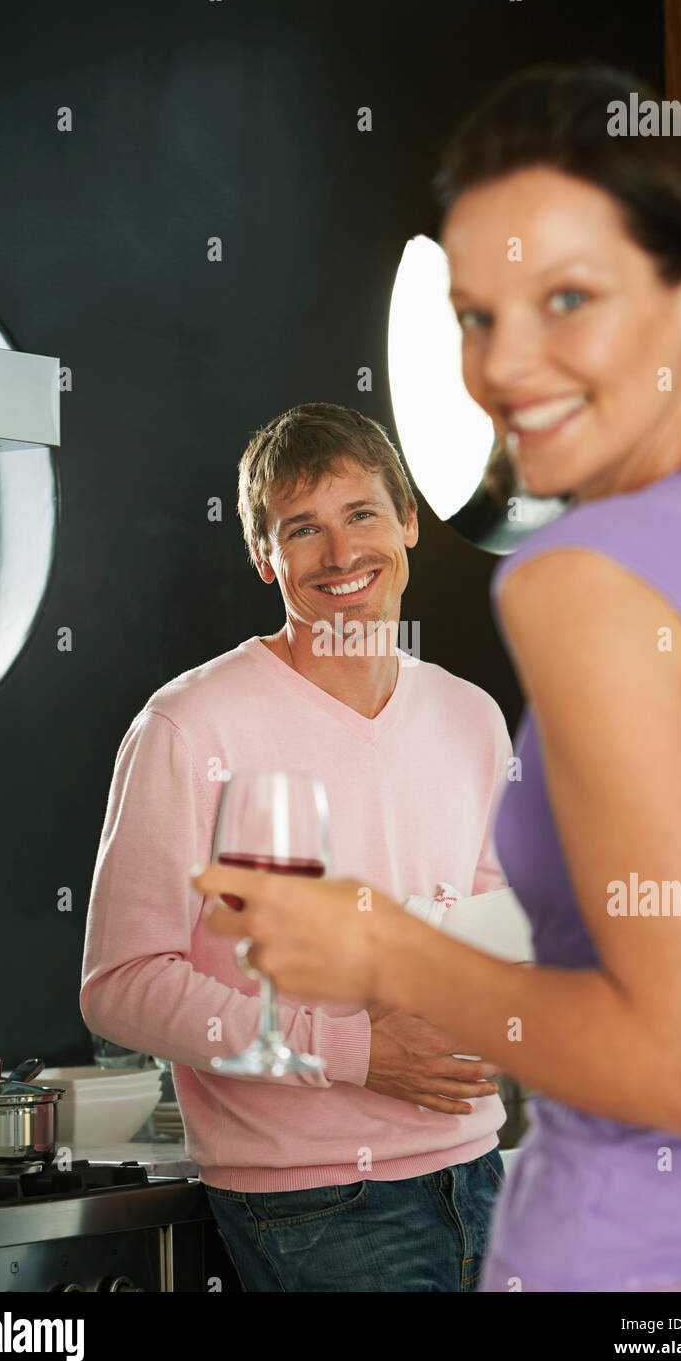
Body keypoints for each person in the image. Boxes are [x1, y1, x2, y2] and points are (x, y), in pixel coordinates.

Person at [193, 62, 681, 1292]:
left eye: (564, 297)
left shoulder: (587, 578)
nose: (499, 370)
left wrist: (379, 955)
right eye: (474, 316)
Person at [80, 400, 517, 1292]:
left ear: (408, 522)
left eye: (361, 514)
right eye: (302, 529)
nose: (340, 553)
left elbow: (492, 928)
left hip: (481, 1173)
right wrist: (354, 1052)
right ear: (264, 557)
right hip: (316, 1203)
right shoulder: (190, 725)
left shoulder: (470, 715)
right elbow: (119, 987)